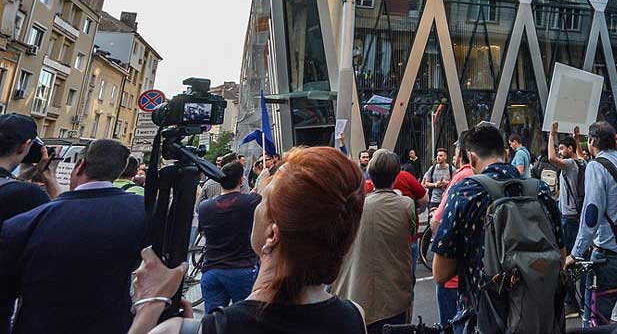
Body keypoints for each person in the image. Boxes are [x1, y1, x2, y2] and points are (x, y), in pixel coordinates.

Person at [128, 146, 367, 334]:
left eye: (263, 201)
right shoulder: (354, 317)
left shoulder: (197, 329)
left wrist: (150, 306)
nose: (257, 205)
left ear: (272, 235)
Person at [0, 139, 144, 334]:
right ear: (119, 171)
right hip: (112, 326)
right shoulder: (142, 211)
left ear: (81, 165)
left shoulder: (25, 223)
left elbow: (5, 295)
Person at [432, 122, 563, 332]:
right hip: (538, 317)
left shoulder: (466, 192)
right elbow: (560, 254)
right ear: (506, 154)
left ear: (472, 158)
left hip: (483, 318)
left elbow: (440, 273)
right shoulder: (539, 190)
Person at [563, 122, 617, 321]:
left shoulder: (596, 166)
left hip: (609, 258)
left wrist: (575, 253)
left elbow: (592, 214)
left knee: (595, 321)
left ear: (592, 141)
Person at [336, 149, 416, 334]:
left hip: (354, 294)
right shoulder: (406, 204)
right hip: (394, 296)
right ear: (396, 175)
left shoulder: (353, 205)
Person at [197, 160, 261, 313]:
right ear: (241, 180)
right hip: (241, 269)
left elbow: (202, 231)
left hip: (211, 270)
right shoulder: (251, 202)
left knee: (213, 322)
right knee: (249, 319)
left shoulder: (205, 207)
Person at [430, 134, 474, 332]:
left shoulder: (461, 177)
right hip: (478, 277)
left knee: (450, 325)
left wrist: (434, 218)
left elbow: (438, 224)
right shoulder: (487, 177)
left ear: (463, 154)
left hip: (453, 276)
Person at [546, 123, 585, 315]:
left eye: (563, 148)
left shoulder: (569, 164)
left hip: (569, 218)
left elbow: (550, 157)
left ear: (570, 150)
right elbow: (578, 152)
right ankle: (585, 300)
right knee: (582, 259)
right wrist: (576, 138)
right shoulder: (583, 162)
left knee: (567, 260)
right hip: (578, 216)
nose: (560, 151)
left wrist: (552, 134)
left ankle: (571, 303)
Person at [0, 114, 57, 225]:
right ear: (24, 146)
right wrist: (49, 176)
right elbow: (61, 222)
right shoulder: (28, 195)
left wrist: (21, 177)